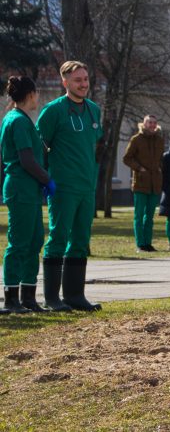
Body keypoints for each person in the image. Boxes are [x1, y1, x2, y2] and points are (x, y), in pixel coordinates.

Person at [37, 60, 103, 312]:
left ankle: (75, 295)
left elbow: (92, 144)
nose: (83, 84)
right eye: (78, 80)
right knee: (58, 237)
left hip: (86, 187)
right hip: (62, 186)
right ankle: (52, 298)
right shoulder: (53, 111)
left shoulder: (94, 110)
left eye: (85, 79)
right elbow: (38, 146)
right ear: (65, 82)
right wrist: (45, 178)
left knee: (80, 239)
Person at [1, 77, 54, 314]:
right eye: (37, 93)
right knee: (20, 242)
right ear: (30, 94)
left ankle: (28, 297)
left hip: (29, 188)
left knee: (34, 242)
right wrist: (46, 179)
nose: (38, 98)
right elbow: (26, 160)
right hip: (21, 187)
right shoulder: (18, 121)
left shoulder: (23, 120)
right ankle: (11, 298)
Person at [122, 115, 163, 252]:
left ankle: (148, 243)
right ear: (144, 124)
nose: (152, 125)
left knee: (150, 217)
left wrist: (160, 168)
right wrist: (139, 169)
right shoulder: (136, 139)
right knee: (139, 215)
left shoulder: (159, 140)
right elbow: (127, 158)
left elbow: (160, 159)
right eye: (149, 122)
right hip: (140, 183)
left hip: (155, 184)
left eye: (154, 122)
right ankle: (140, 244)